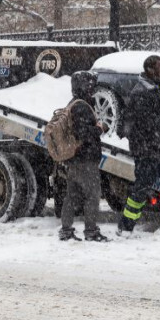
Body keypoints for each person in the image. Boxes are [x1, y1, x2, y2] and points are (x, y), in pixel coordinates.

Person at [117, 55, 160, 236]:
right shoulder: (141, 92)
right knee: (141, 189)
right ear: (150, 70)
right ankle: (125, 227)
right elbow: (145, 121)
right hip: (147, 150)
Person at [59, 71, 109, 242]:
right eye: (89, 84)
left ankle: (66, 230)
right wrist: (100, 129)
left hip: (75, 159)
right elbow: (83, 133)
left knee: (71, 196)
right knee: (92, 195)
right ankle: (91, 231)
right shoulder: (81, 107)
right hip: (85, 159)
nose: (92, 87)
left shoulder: (73, 103)